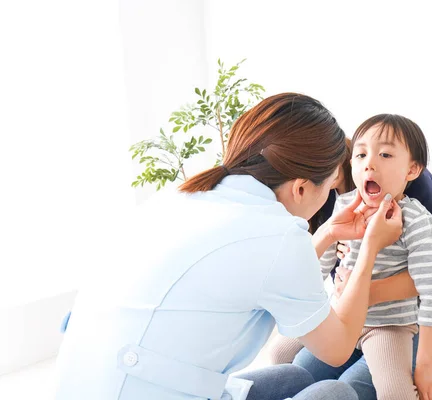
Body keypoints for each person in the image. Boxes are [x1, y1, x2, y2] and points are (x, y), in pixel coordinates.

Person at [53, 93, 404, 400]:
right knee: (336, 393)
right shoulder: (278, 235)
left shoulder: (181, 198)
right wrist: (370, 247)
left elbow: (262, 270)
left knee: (294, 376)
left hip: (96, 384)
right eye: (330, 187)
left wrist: (326, 234)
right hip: (137, 386)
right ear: (300, 187)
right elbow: (338, 349)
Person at [268, 116, 432, 400]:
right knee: (287, 359)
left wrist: (424, 364)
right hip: (346, 316)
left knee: (363, 389)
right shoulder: (339, 203)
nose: (369, 163)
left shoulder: (414, 214)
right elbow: (315, 272)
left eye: (384, 154)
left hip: (398, 324)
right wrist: (327, 236)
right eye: (361, 155)